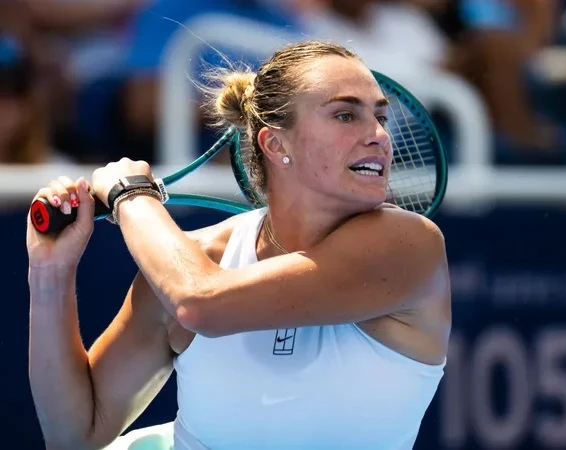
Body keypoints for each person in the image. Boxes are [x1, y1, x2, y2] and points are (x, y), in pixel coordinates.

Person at [27, 40, 452, 449]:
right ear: (276, 143)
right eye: (345, 115)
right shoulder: (194, 261)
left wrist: (132, 195)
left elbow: (199, 303)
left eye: (381, 116)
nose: (379, 135)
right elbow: (75, 435)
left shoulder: (409, 245)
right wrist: (50, 274)